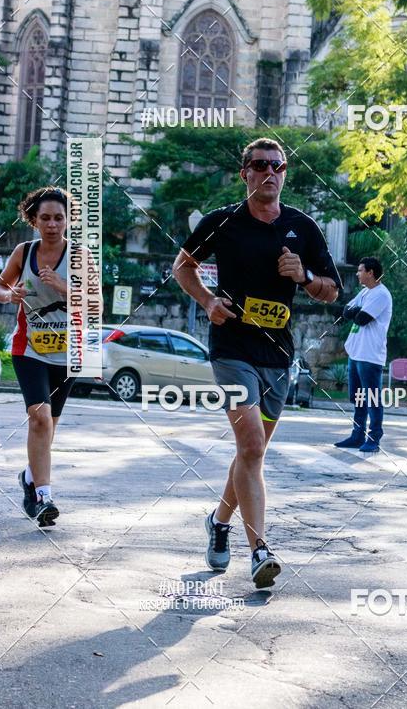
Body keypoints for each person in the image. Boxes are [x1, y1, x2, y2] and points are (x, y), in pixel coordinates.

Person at [172, 138, 341, 588]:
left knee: (253, 452)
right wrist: (208, 302)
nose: (270, 172)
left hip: (278, 355)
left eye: (277, 166)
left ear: (285, 173)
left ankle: (219, 521)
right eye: (260, 165)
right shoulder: (222, 222)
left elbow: (332, 289)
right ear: (244, 172)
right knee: (249, 445)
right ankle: (259, 550)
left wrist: (303, 276)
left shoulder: (302, 228)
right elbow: (182, 266)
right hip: (231, 347)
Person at [0, 188, 77, 526]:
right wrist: (8, 294)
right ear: (33, 220)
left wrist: (62, 286)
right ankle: (44, 495)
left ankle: (30, 477)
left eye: (59, 217)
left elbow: (94, 304)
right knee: (39, 419)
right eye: (45, 218)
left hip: (67, 352)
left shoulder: (79, 256)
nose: (52, 224)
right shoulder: (23, 251)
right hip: (28, 348)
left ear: (67, 220)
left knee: (48, 428)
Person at [334, 257, 393, 453]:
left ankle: (374, 437)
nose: (357, 274)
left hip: (370, 354)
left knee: (372, 397)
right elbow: (345, 311)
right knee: (357, 397)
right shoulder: (365, 292)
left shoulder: (381, 295)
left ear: (371, 272)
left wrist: (356, 311)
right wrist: (355, 310)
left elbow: (361, 319)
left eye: (360, 270)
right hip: (356, 351)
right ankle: (357, 435)